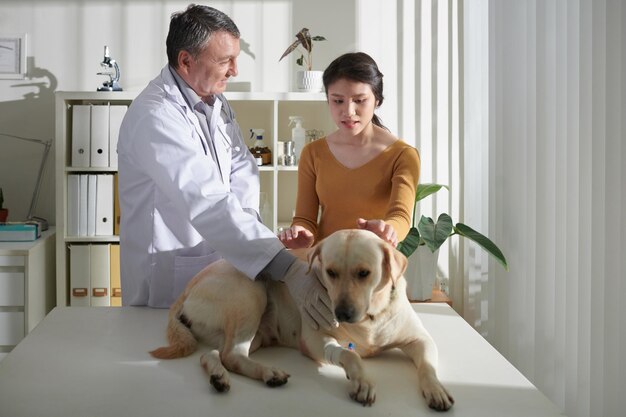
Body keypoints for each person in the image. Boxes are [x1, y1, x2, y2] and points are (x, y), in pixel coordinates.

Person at [117, 4, 336, 331]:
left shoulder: (214, 102)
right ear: (186, 61)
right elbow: (206, 198)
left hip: (217, 268)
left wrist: (253, 233)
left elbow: (242, 168)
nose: (234, 70)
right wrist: (284, 266)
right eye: (224, 61)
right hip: (166, 279)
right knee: (167, 366)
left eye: (235, 58)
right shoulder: (156, 115)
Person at [279, 52, 420, 250]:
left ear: (377, 100)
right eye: (338, 101)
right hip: (326, 265)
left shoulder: (402, 155)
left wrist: (388, 230)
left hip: (373, 265)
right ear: (327, 100)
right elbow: (305, 219)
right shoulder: (313, 153)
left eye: (360, 100)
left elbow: (401, 217)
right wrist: (301, 233)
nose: (348, 111)